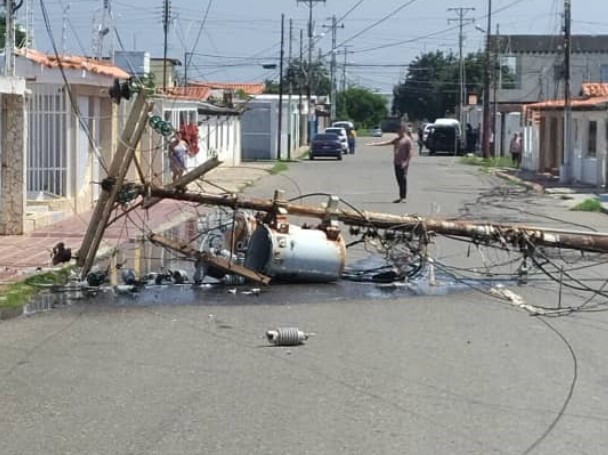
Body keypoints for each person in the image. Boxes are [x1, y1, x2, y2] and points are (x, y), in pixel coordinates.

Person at [369, 123, 412, 203]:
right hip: (396, 162)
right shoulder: (397, 139)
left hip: (403, 163)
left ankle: (403, 197)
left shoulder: (407, 140)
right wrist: (374, 144)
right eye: (397, 131)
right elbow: (387, 143)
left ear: (403, 130)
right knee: (398, 179)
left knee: (403, 180)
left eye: (399, 131)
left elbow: (410, 153)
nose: (397, 132)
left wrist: (406, 162)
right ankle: (401, 196)